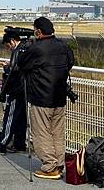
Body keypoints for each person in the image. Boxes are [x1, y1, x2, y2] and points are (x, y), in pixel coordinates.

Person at [17, 17, 74, 180]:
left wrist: (24, 49)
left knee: (41, 132)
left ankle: (49, 167)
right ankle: (59, 164)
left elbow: (22, 64)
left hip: (41, 97)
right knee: (57, 132)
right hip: (59, 96)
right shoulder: (63, 45)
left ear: (38, 31)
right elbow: (70, 62)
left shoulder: (36, 49)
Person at [0, 32, 27, 155]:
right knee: (21, 119)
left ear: (12, 41)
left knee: (10, 117)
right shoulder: (26, 49)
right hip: (24, 90)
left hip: (16, 89)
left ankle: (1, 144)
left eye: (8, 45)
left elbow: (15, 72)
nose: (9, 48)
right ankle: (19, 144)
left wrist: (7, 68)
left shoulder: (18, 51)